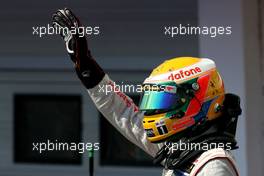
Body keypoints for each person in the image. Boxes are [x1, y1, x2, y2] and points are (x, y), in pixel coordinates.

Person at [52, 8, 242, 176]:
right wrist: (87, 69)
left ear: (196, 100)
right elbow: (126, 115)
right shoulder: (180, 147)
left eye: (164, 100)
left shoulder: (214, 165)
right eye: (154, 100)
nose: (153, 112)